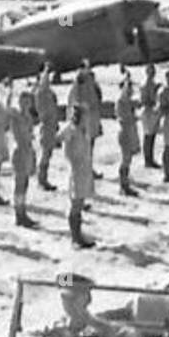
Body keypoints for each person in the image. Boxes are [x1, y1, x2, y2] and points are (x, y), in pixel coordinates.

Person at [60, 104, 95, 248]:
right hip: (76, 168)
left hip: (84, 168)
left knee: (80, 202)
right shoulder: (72, 129)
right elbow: (61, 139)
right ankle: (74, 237)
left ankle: (79, 234)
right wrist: (72, 158)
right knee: (76, 203)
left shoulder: (83, 130)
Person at [8, 85, 39, 227]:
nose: (27, 105)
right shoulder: (16, 116)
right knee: (19, 184)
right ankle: (18, 213)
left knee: (25, 183)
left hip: (27, 150)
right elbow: (8, 109)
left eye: (29, 102)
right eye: (24, 102)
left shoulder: (28, 117)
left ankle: (22, 211)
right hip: (20, 150)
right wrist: (10, 91)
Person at [34, 64, 61, 191]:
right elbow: (42, 112)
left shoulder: (50, 93)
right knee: (45, 153)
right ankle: (42, 178)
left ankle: (44, 177)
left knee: (49, 153)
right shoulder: (40, 94)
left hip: (52, 125)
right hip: (46, 127)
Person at [115, 70, 140, 195]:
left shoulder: (126, 101)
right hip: (125, 131)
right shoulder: (122, 101)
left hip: (128, 130)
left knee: (128, 159)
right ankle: (123, 185)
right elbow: (124, 117)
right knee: (125, 159)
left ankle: (125, 183)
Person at [140, 64, 160, 169]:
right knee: (148, 135)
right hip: (148, 111)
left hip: (153, 110)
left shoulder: (152, 83)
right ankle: (147, 159)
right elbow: (144, 100)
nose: (152, 73)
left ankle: (150, 158)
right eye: (151, 71)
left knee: (152, 135)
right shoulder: (145, 84)